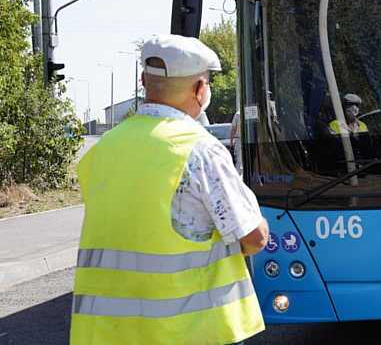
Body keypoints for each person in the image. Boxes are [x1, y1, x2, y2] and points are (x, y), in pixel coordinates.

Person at [71, 34, 267, 345]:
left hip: (106, 334)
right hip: (192, 333)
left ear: (143, 81)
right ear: (200, 90)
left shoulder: (102, 150)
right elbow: (253, 238)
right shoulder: (200, 151)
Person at [230, 109, 242, 175]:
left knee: (240, 162)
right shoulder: (238, 115)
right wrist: (231, 142)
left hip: (242, 140)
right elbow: (233, 129)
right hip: (239, 140)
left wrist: (231, 142)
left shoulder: (238, 114)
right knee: (239, 162)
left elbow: (233, 129)